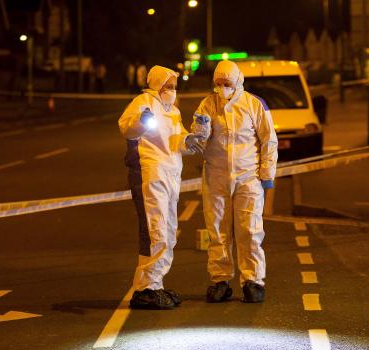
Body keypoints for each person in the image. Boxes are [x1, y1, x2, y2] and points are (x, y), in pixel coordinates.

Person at [191, 60, 278, 303]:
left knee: (249, 230)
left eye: (226, 84)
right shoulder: (208, 104)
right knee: (217, 230)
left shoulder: (254, 104)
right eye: (218, 84)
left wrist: (267, 174)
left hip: (248, 177)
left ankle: (253, 280)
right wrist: (200, 130)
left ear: (238, 82)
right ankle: (220, 280)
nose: (222, 88)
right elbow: (197, 141)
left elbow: (269, 141)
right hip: (216, 176)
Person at [118, 65, 201, 309]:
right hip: (150, 174)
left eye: (174, 87)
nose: (172, 91)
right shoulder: (143, 102)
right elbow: (126, 128)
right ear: (156, 85)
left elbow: (175, 140)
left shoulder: (172, 111)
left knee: (167, 231)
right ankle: (147, 288)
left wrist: (188, 139)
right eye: (168, 87)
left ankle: (155, 284)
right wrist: (141, 122)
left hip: (171, 176)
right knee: (155, 232)